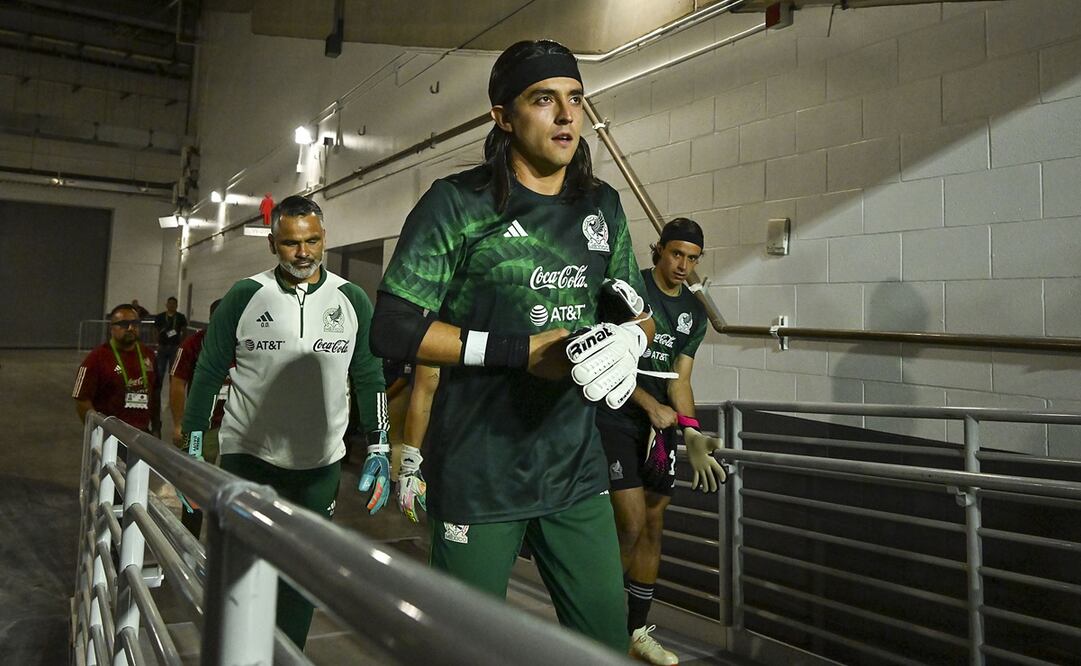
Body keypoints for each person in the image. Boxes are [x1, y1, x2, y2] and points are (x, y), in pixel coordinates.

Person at [370, 39, 655, 654]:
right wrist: (518, 351)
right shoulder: (458, 204)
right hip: (479, 470)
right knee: (465, 649)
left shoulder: (601, 205)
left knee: (604, 644)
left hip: (573, 467)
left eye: (575, 99)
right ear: (503, 116)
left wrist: (628, 340)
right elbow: (392, 327)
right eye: (543, 98)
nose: (566, 115)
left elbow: (636, 307)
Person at [179, 195, 389, 649]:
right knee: (238, 574)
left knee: (302, 577)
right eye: (291, 243)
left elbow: (370, 374)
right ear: (273, 243)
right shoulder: (245, 295)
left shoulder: (351, 299)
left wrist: (380, 446)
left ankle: (286, 656)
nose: (303, 253)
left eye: (312, 241)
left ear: (324, 238)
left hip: (319, 466)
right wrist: (193, 447)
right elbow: (208, 371)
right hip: (247, 460)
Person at [595, 217, 726, 665]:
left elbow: (681, 378)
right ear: (660, 250)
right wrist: (649, 405)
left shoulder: (693, 312)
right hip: (616, 414)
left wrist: (690, 427)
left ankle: (634, 630)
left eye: (692, 258)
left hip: (661, 426)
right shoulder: (631, 293)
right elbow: (604, 360)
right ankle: (599, 625)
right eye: (676, 254)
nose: (683, 265)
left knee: (653, 523)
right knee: (628, 522)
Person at [169, 298, 227, 538]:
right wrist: (179, 423)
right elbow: (178, 383)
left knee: (231, 488)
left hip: (236, 429)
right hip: (203, 430)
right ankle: (189, 541)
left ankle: (226, 541)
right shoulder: (193, 344)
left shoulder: (243, 343)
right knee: (194, 488)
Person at [73, 303, 160, 436]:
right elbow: (81, 399)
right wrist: (98, 433)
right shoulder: (96, 358)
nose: (131, 328)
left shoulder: (149, 355)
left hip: (142, 436)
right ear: (111, 328)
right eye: (124, 324)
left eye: (135, 323)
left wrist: (156, 427)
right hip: (110, 437)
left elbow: (155, 393)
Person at [153, 296, 188, 406]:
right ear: (166, 304)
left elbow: (184, 331)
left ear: (176, 305)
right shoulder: (160, 317)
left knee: (173, 373)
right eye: (170, 303)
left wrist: (181, 344)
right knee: (159, 371)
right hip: (162, 347)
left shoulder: (180, 317)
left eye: (174, 304)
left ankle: (173, 396)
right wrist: (156, 343)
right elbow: (155, 330)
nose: (171, 305)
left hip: (175, 347)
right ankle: (156, 396)